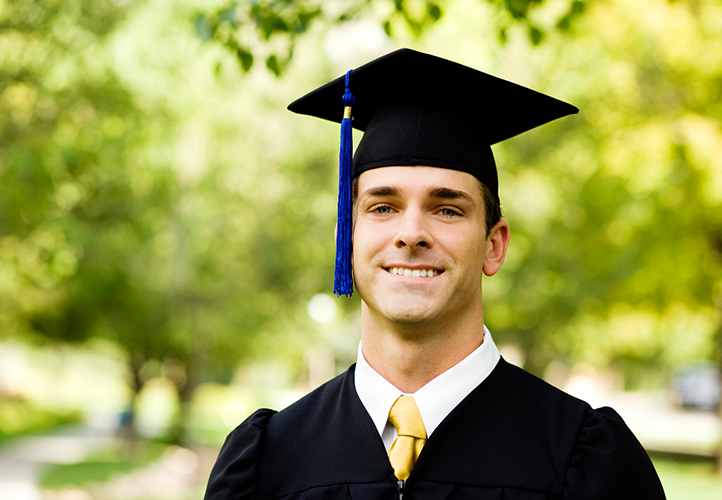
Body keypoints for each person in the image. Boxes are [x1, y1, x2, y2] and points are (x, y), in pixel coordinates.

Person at [204, 48, 666, 500]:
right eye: (382, 207)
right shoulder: (269, 461)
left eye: (446, 209)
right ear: (346, 235)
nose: (411, 233)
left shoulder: (580, 460)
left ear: (494, 245)